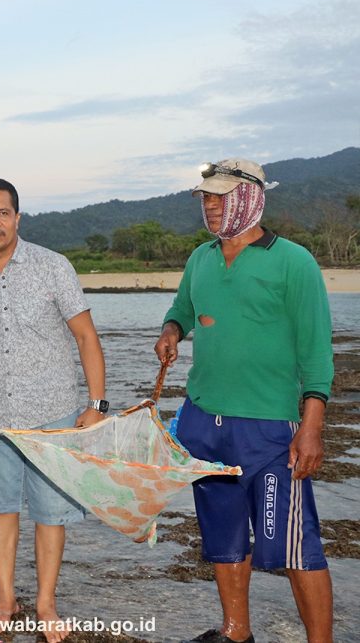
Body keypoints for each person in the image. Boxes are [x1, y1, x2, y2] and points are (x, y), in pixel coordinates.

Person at [154, 158, 334, 643]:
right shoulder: (200, 258)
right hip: (203, 423)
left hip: (269, 430)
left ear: (252, 197)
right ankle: (237, 632)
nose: (211, 205)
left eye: (222, 196)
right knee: (223, 537)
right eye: (206, 197)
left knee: (295, 544)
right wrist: (172, 331)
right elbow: (183, 311)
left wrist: (311, 427)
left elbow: (317, 354)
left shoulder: (293, 261)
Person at [0, 177, 106, 642]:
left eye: (2, 213)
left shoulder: (53, 267)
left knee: (51, 513)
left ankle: (46, 603)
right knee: (1, 509)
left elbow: (86, 338)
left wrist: (96, 404)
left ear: (17, 218)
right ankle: (5, 598)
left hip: (53, 412)